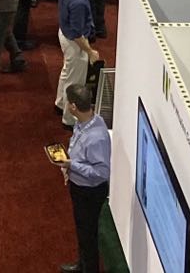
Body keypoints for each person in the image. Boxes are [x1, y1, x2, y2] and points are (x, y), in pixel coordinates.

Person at [61, 82, 112, 273]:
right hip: (79, 186)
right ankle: (82, 264)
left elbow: (101, 173)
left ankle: (89, 268)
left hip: (89, 192)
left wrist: (72, 165)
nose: (67, 105)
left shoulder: (97, 137)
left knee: (88, 234)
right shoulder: (86, 121)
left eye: (68, 102)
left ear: (73, 106)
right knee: (82, 231)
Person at [55, 0, 101, 126]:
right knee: (75, 82)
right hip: (74, 43)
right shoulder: (79, 3)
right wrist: (90, 52)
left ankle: (60, 103)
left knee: (67, 72)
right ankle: (69, 119)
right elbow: (77, 34)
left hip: (63, 32)